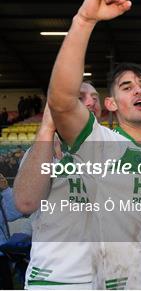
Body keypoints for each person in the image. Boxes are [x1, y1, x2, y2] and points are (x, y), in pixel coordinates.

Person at [46, 0, 141, 289]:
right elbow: (62, 101)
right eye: (126, 87)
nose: (138, 90)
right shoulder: (102, 144)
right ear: (111, 103)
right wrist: (84, 21)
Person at [14, 82, 101, 289]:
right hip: (55, 279)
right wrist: (47, 132)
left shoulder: (112, 149)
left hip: (106, 278)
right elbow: (25, 203)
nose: (91, 102)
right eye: (80, 97)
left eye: (95, 97)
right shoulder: (44, 153)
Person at [0, 173, 23, 289]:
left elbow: (12, 214)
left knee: (6, 284)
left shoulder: (3, 195)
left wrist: (5, 190)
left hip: (2, 252)